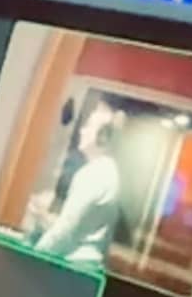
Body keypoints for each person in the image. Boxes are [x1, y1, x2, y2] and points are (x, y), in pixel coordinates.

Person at [30, 95, 127, 269]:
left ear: (103, 137)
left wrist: (33, 257)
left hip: (73, 267)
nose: (82, 131)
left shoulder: (93, 175)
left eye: (89, 126)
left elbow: (65, 232)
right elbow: (83, 227)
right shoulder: (108, 171)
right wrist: (45, 218)